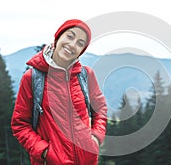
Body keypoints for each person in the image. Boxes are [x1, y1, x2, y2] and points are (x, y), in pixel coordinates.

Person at [11, 19, 107, 165]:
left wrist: (95, 137)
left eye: (80, 43)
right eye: (70, 36)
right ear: (58, 36)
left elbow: (100, 109)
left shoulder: (86, 75)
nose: (73, 45)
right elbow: (20, 124)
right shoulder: (32, 78)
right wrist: (44, 151)